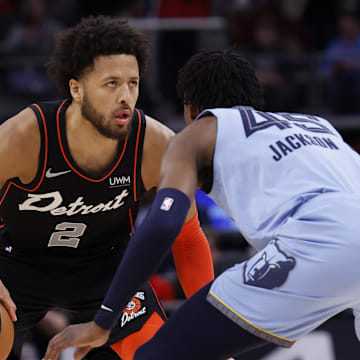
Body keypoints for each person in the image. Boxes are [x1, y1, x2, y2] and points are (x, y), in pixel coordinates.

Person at [43, 49, 360, 360]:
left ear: (191, 109)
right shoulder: (318, 126)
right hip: (343, 234)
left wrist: (104, 321)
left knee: (155, 355)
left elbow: (164, 224)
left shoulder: (200, 132)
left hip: (321, 240)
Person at [0, 15, 214, 360]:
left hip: (105, 269)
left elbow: (188, 237)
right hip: (15, 262)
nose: (126, 96)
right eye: (111, 84)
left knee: (161, 353)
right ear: (76, 89)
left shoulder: (156, 145)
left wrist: (210, 323)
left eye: (133, 82)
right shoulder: (27, 135)